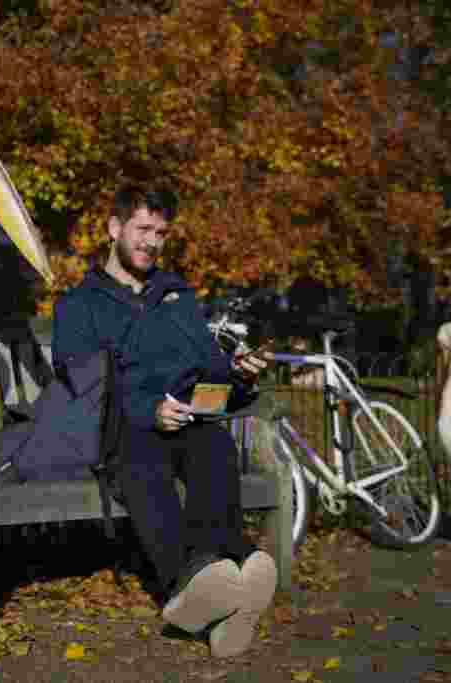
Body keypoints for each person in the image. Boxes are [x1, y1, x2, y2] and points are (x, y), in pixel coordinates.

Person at [52, 184, 278, 658]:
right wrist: (149, 411)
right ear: (114, 229)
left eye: (161, 232)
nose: (152, 241)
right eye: (142, 229)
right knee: (144, 460)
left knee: (215, 448)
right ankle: (194, 580)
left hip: (190, 421)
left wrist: (239, 377)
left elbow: (212, 375)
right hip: (123, 431)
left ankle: (225, 581)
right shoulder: (80, 306)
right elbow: (85, 388)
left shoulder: (178, 297)